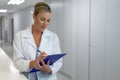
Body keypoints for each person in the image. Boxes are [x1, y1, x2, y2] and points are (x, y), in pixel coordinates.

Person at [13, 2, 62, 80]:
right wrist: (34, 63)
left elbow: (59, 61)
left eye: (48, 20)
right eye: (42, 19)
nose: (45, 24)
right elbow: (17, 63)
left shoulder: (53, 37)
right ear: (34, 16)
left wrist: (49, 69)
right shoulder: (19, 36)